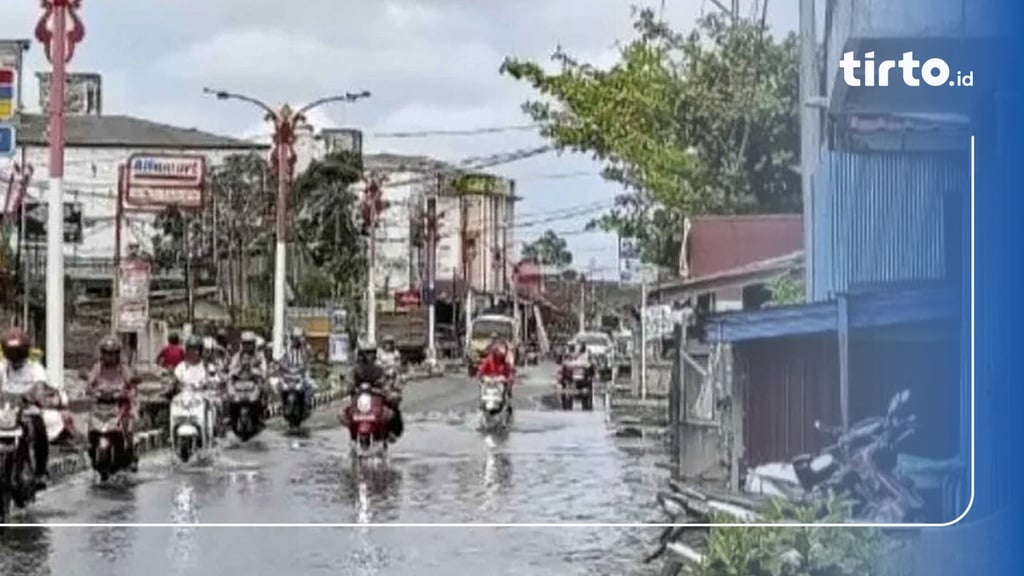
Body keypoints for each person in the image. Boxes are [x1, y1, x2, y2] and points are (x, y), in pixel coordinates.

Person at [0, 328, 63, 488]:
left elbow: (40, 388)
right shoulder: (2, 367)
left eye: (18, 353)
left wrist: (36, 397)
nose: (15, 358)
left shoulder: (35, 368)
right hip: (6, 410)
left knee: (39, 428)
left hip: (28, 410)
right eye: (11, 353)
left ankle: (41, 471)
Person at [84, 336, 139, 472]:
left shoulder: (123, 368)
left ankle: (130, 454)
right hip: (100, 405)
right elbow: (89, 383)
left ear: (117, 354)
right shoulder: (98, 368)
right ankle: (91, 450)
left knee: (127, 425)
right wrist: (89, 390)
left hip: (120, 405)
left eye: (113, 353)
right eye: (107, 353)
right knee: (91, 427)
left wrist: (129, 392)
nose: (110, 357)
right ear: (102, 354)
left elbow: (131, 383)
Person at [350, 341, 403, 442]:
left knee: (393, 409)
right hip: (359, 400)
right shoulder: (355, 370)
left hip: (377, 399)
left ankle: (391, 431)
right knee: (343, 412)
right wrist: (350, 388)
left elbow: (387, 382)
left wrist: (390, 389)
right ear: (361, 354)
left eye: (372, 353)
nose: (370, 355)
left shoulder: (380, 369)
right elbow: (349, 383)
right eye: (368, 353)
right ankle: (352, 430)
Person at [278, 327, 315, 409]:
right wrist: (280, 365)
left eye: (298, 338)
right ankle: (281, 402)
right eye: (294, 338)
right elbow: (280, 358)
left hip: (302, 373)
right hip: (289, 373)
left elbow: (310, 357)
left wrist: (308, 364)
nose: (296, 341)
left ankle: (307, 401)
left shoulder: (305, 348)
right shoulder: (286, 348)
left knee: (311, 385)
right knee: (279, 384)